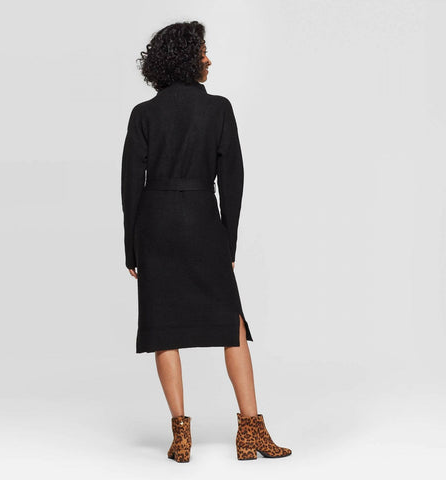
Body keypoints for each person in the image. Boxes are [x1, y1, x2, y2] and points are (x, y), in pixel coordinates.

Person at [121, 20, 292, 462]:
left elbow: (130, 186)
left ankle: (181, 436)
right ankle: (251, 431)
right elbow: (232, 181)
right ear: (187, 59)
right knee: (232, 324)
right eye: (202, 53)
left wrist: (131, 248)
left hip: (155, 225)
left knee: (163, 326)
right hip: (202, 221)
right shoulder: (218, 109)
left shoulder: (143, 114)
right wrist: (227, 242)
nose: (208, 59)